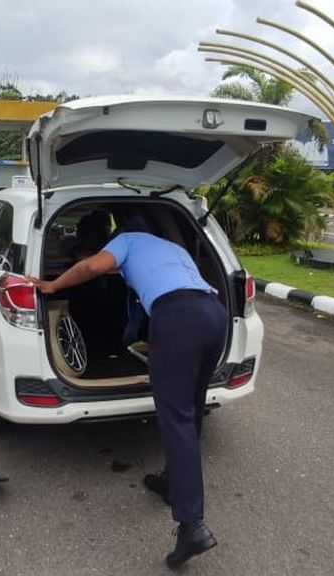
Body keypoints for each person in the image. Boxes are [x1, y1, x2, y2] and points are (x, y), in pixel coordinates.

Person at [28, 214, 228, 569]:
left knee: (176, 417)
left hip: (177, 317)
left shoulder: (127, 242)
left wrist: (53, 286)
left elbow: (92, 265)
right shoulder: (171, 245)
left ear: (123, 231)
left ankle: (191, 526)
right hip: (214, 315)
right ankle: (171, 480)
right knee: (192, 408)